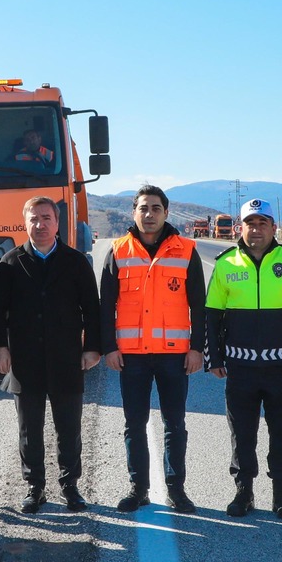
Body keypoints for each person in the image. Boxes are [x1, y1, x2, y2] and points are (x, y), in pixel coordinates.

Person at [204, 198, 282, 519]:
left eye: (262, 223)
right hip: (240, 369)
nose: (256, 230)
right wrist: (214, 357)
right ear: (242, 228)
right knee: (242, 434)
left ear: (273, 227)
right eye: (250, 224)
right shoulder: (226, 263)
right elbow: (211, 315)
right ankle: (244, 493)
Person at [0, 196, 104, 513]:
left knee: (69, 427)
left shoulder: (75, 262)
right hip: (25, 362)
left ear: (57, 223)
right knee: (30, 429)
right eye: (34, 218)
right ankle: (34, 487)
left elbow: (92, 310)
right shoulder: (11, 263)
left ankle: (70, 486)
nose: (40, 225)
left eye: (46, 218)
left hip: (66, 358)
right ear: (24, 222)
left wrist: (93, 347)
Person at [101, 185, 206, 514]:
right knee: (134, 423)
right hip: (131, 355)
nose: (149, 215)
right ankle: (139, 488)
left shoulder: (186, 250)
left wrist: (197, 349)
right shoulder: (118, 250)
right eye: (143, 208)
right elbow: (105, 305)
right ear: (134, 212)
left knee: (175, 423)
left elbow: (199, 306)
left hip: (174, 355)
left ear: (166, 213)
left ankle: (176, 489)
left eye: (156, 208)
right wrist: (109, 348)